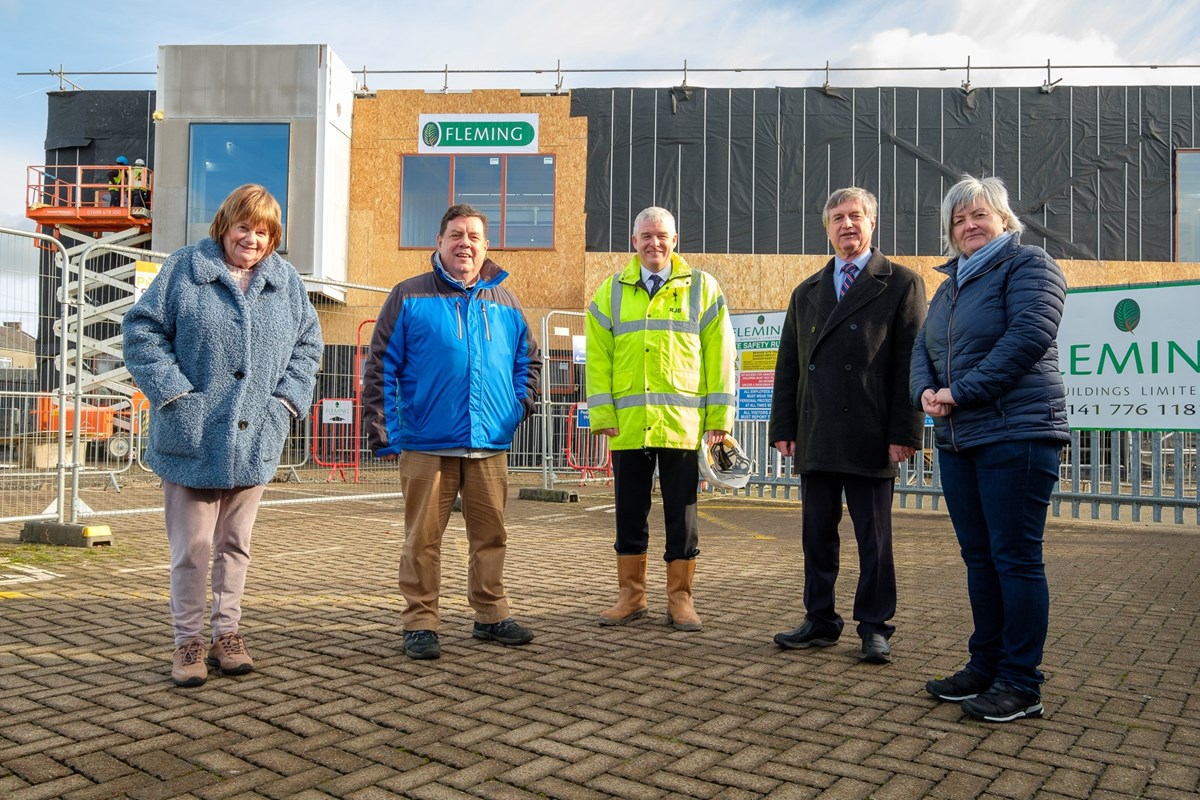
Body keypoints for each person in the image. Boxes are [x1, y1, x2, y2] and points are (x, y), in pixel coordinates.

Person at [122, 184, 323, 687]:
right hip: (191, 436)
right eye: (244, 227)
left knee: (235, 545)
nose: (251, 239)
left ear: (273, 238)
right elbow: (141, 330)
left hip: (255, 438)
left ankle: (227, 636)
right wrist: (175, 394)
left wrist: (284, 404)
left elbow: (308, 345)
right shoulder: (185, 269)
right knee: (191, 548)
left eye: (263, 231)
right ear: (225, 225)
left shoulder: (286, 283)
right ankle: (187, 643)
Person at [911, 174, 1069, 722]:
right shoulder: (950, 285)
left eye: (979, 215)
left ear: (1005, 220)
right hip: (959, 437)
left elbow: (1028, 336)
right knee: (980, 558)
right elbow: (922, 350)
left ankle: (1022, 684)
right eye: (959, 220)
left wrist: (961, 392)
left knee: (1016, 559)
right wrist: (924, 391)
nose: (969, 225)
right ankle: (987, 664)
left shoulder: (1031, 267)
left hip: (1016, 433)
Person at [361, 203, 542, 661]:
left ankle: (491, 614)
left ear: (486, 246)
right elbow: (381, 364)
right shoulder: (408, 295)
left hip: (489, 444)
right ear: (438, 244)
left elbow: (529, 361)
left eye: (475, 236)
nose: (466, 243)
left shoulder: (506, 301)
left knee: (491, 536)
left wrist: (517, 407)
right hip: (427, 442)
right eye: (456, 235)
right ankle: (420, 621)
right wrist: (385, 430)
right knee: (422, 537)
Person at [768, 187, 926, 664]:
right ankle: (820, 620)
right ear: (828, 228)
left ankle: (875, 626)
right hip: (817, 432)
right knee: (816, 536)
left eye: (855, 216)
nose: (846, 225)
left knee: (874, 540)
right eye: (837, 217)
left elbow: (911, 361)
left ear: (872, 223)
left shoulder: (899, 282)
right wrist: (784, 425)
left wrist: (906, 431)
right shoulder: (807, 290)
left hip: (872, 433)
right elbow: (789, 365)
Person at [585, 206, 736, 632]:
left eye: (662, 236)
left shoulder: (703, 289)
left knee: (681, 516)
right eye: (646, 236)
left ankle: (680, 600)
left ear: (675, 240)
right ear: (634, 242)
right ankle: (631, 598)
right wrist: (602, 413)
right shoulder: (609, 292)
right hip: (629, 425)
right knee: (628, 513)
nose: (654, 243)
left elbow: (721, 356)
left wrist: (719, 417)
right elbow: (598, 360)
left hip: (682, 425)